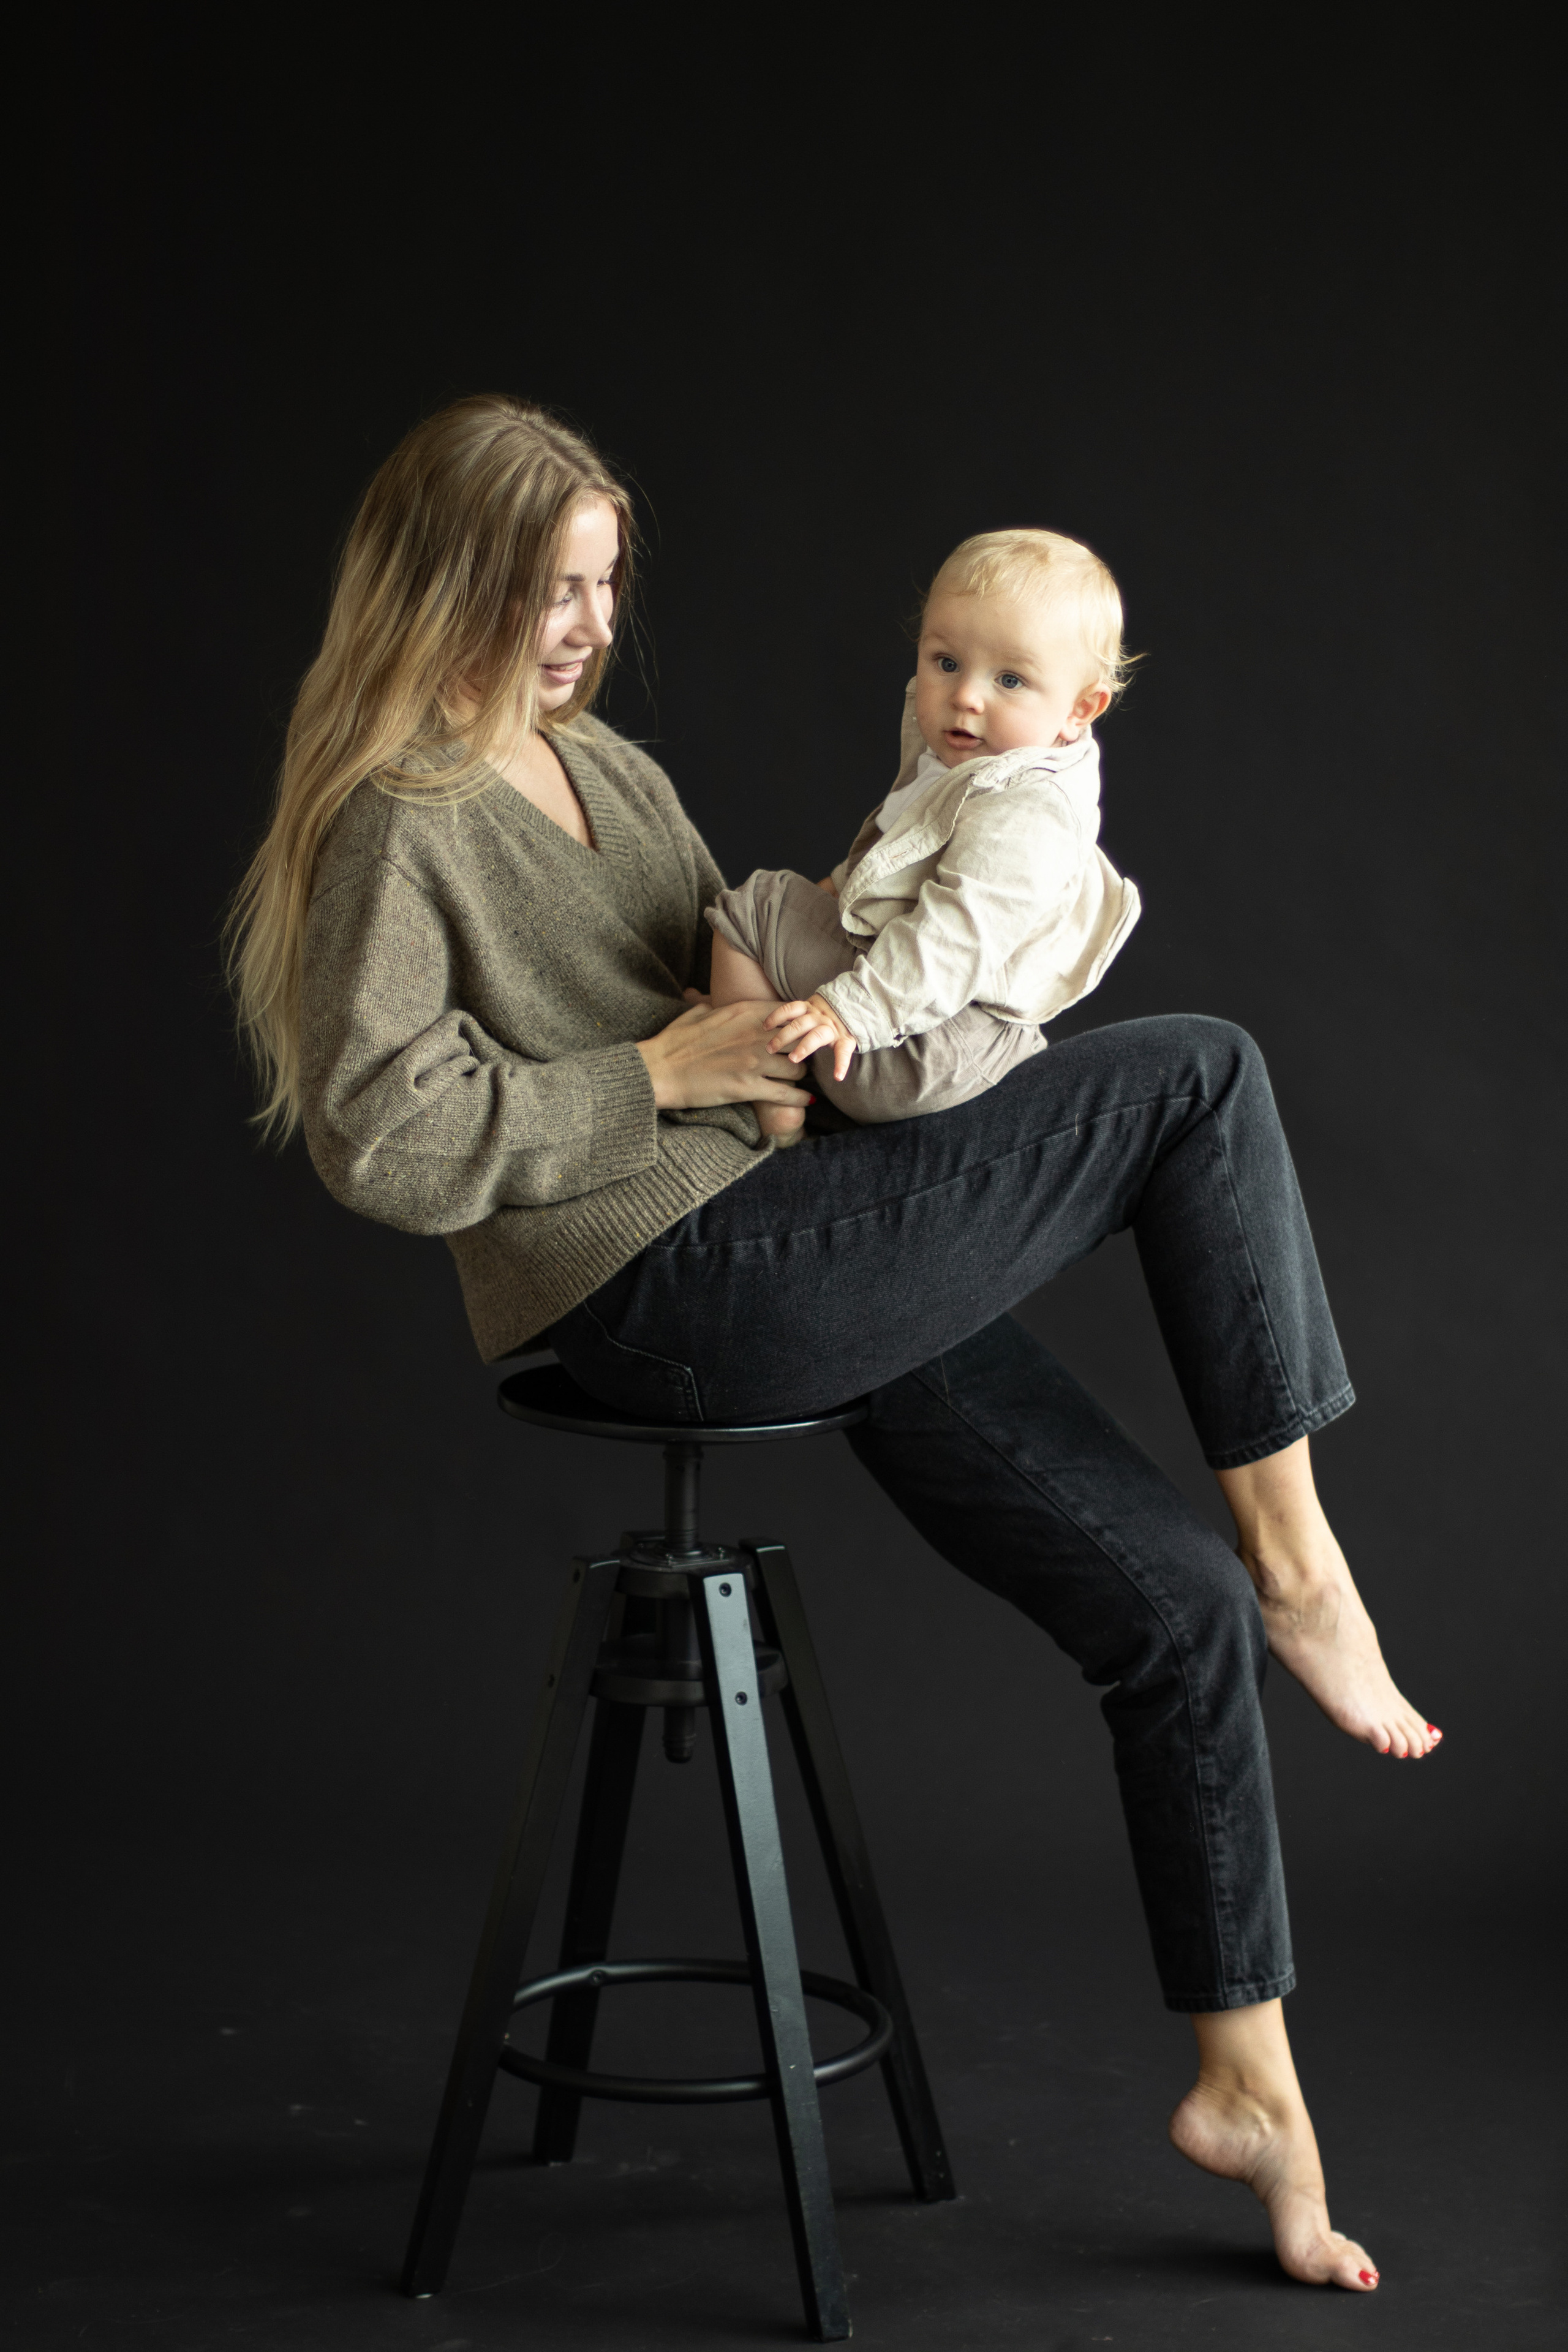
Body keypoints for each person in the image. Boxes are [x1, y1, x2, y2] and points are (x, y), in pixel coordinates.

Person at [230, 393, 1443, 2297]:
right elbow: (381, 1129)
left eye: (604, 587)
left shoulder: (604, 772)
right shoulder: (403, 815)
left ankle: (1246, 2087)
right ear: (442, 580)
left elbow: (761, 974)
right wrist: (663, 1072)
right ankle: (1313, 1559)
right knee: (1199, 1078)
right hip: (658, 1287)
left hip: (777, 1236)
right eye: (548, 587)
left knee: (1167, 1599)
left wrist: (804, 1042)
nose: (583, 627)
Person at [706, 529, 1142, 1138]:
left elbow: (957, 939)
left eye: (1010, 680)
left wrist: (845, 1011)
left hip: (917, 1048)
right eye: (946, 663)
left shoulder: (1027, 813)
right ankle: (759, 1020)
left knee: (753, 909)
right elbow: (887, 866)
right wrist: (818, 911)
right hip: (950, 1038)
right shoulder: (979, 763)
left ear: (1081, 709)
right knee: (801, 908)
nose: (964, 696)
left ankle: (767, 1089)